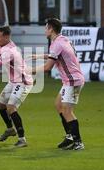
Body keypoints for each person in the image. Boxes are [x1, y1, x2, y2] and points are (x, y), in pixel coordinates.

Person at [32, 18, 85, 151]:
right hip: (69, 80)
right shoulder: (63, 40)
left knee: (67, 111)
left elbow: (47, 68)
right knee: (58, 105)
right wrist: (40, 56)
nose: (45, 30)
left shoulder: (56, 44)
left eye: (46, 28)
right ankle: (70, 137)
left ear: (51, 29)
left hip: (73, 81)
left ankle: (78, 142)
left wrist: (29, 70)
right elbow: (57, 56)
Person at [0, 26, 33, 147]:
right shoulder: (4, 46)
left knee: (11, 107)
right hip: (13, 81)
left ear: (6, 37)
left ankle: (22, 139)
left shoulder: (9, 51)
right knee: (0, 105)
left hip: (23, 82)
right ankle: (10, 129)